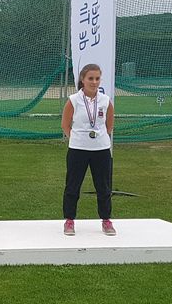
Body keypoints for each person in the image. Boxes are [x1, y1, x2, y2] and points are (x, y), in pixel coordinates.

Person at [61, 63, 116, 236]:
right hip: (78, 149)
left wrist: (98, 138)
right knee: (72, 186)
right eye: (90, 78)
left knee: (104, 187)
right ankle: (69, 221)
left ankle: (106, 220)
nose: (94, 82)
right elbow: (65, 124)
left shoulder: (105, 101)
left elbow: (109, 126)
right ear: (82, 80)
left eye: (97, 78)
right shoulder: (73, 100)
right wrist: (77, 138)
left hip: (101, 149)